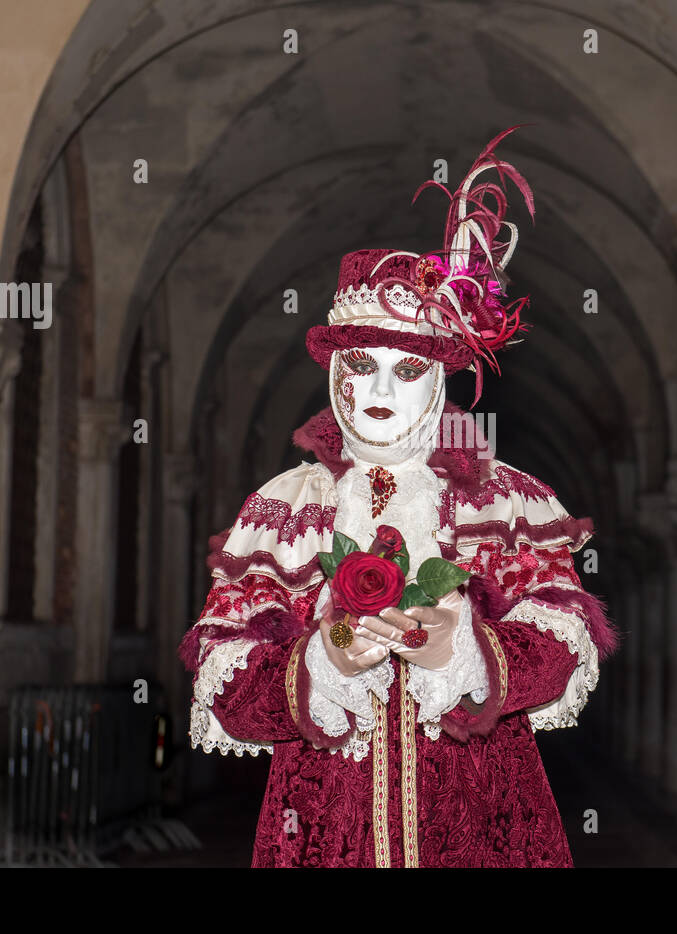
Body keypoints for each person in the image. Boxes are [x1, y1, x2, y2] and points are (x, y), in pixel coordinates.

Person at [179, 127, 618, 867]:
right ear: (332, 372)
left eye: (406, 369)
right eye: (361, 363)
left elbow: (567, 654)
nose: (379, 390)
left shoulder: (505, 503)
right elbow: (225, 687)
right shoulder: (288, 509)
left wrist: (471, 653)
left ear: (440, 379)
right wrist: (320, 663)